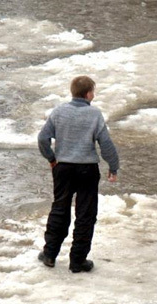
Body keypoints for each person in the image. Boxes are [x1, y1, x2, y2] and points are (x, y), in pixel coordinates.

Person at [37, 75, 119, 273]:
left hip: (63, 167)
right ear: (88, 93)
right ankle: (77, 260)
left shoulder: (58, 112)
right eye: (93, 91)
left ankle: (49, 254)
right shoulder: (94, 114)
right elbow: (105, 143)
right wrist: (113, 166)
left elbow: (42, 138)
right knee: (85, 214)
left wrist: (52, 159)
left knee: (60, 208)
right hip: (87, 169)